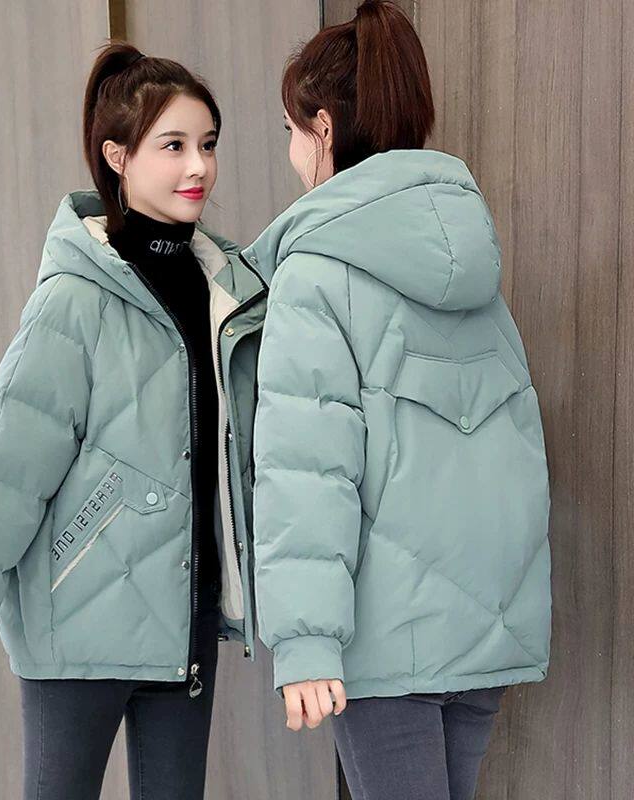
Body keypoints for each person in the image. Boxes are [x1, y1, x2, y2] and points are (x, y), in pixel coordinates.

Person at [0, 42, 266, 800]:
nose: (198, 166)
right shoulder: (74, 300)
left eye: (208, 144)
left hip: (186, 623)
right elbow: (6, 473)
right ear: (118, 157)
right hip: (76, 625)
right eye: (172, 145)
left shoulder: (230, 296)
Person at [241, 2, 552, 799]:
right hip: (483, 633)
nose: (291, 152)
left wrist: (306, 642)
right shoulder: (473, 261)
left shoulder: (315, 272)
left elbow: (307, 470)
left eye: (289, 130)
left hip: (383, 643)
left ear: (322, 127)